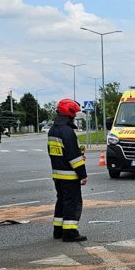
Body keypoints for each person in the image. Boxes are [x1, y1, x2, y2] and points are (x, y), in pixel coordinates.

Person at [48, 99, 88, 242]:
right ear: (69, 113)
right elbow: (74, 157)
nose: (75, 116)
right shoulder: (67, 132)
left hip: (57, 174)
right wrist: (83, 174)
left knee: (61, 202)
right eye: (75, 113)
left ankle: (58, 230)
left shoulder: (53, 130)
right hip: (70, 176)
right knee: (72, 203)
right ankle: (70, 232)